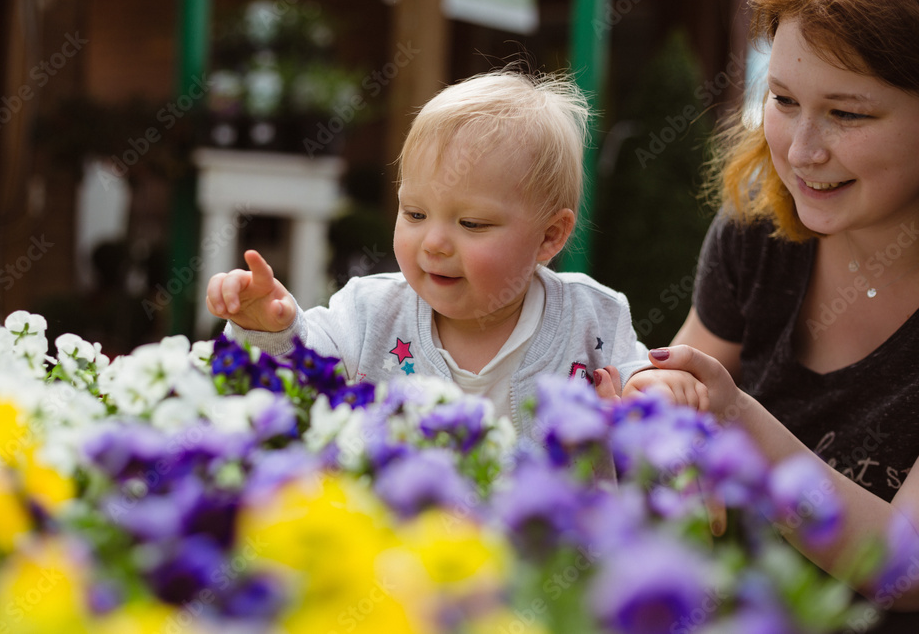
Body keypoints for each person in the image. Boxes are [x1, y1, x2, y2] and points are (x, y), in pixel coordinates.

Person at [621, 0, 919, 626]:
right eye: (783, 100)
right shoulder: (758, 232)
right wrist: (663, 407)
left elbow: (904, 564)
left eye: (847, 113)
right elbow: (676, 390)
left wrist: (737, 420)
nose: (802, 150)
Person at [205, 70, 653, 442]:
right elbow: (300, 375)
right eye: (415, 213)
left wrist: (649, 403)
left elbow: (654, 408)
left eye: (472, 224)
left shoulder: (594, 320)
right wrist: (268, 329)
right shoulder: (369, 313)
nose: (433, 243)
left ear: (549, 236)